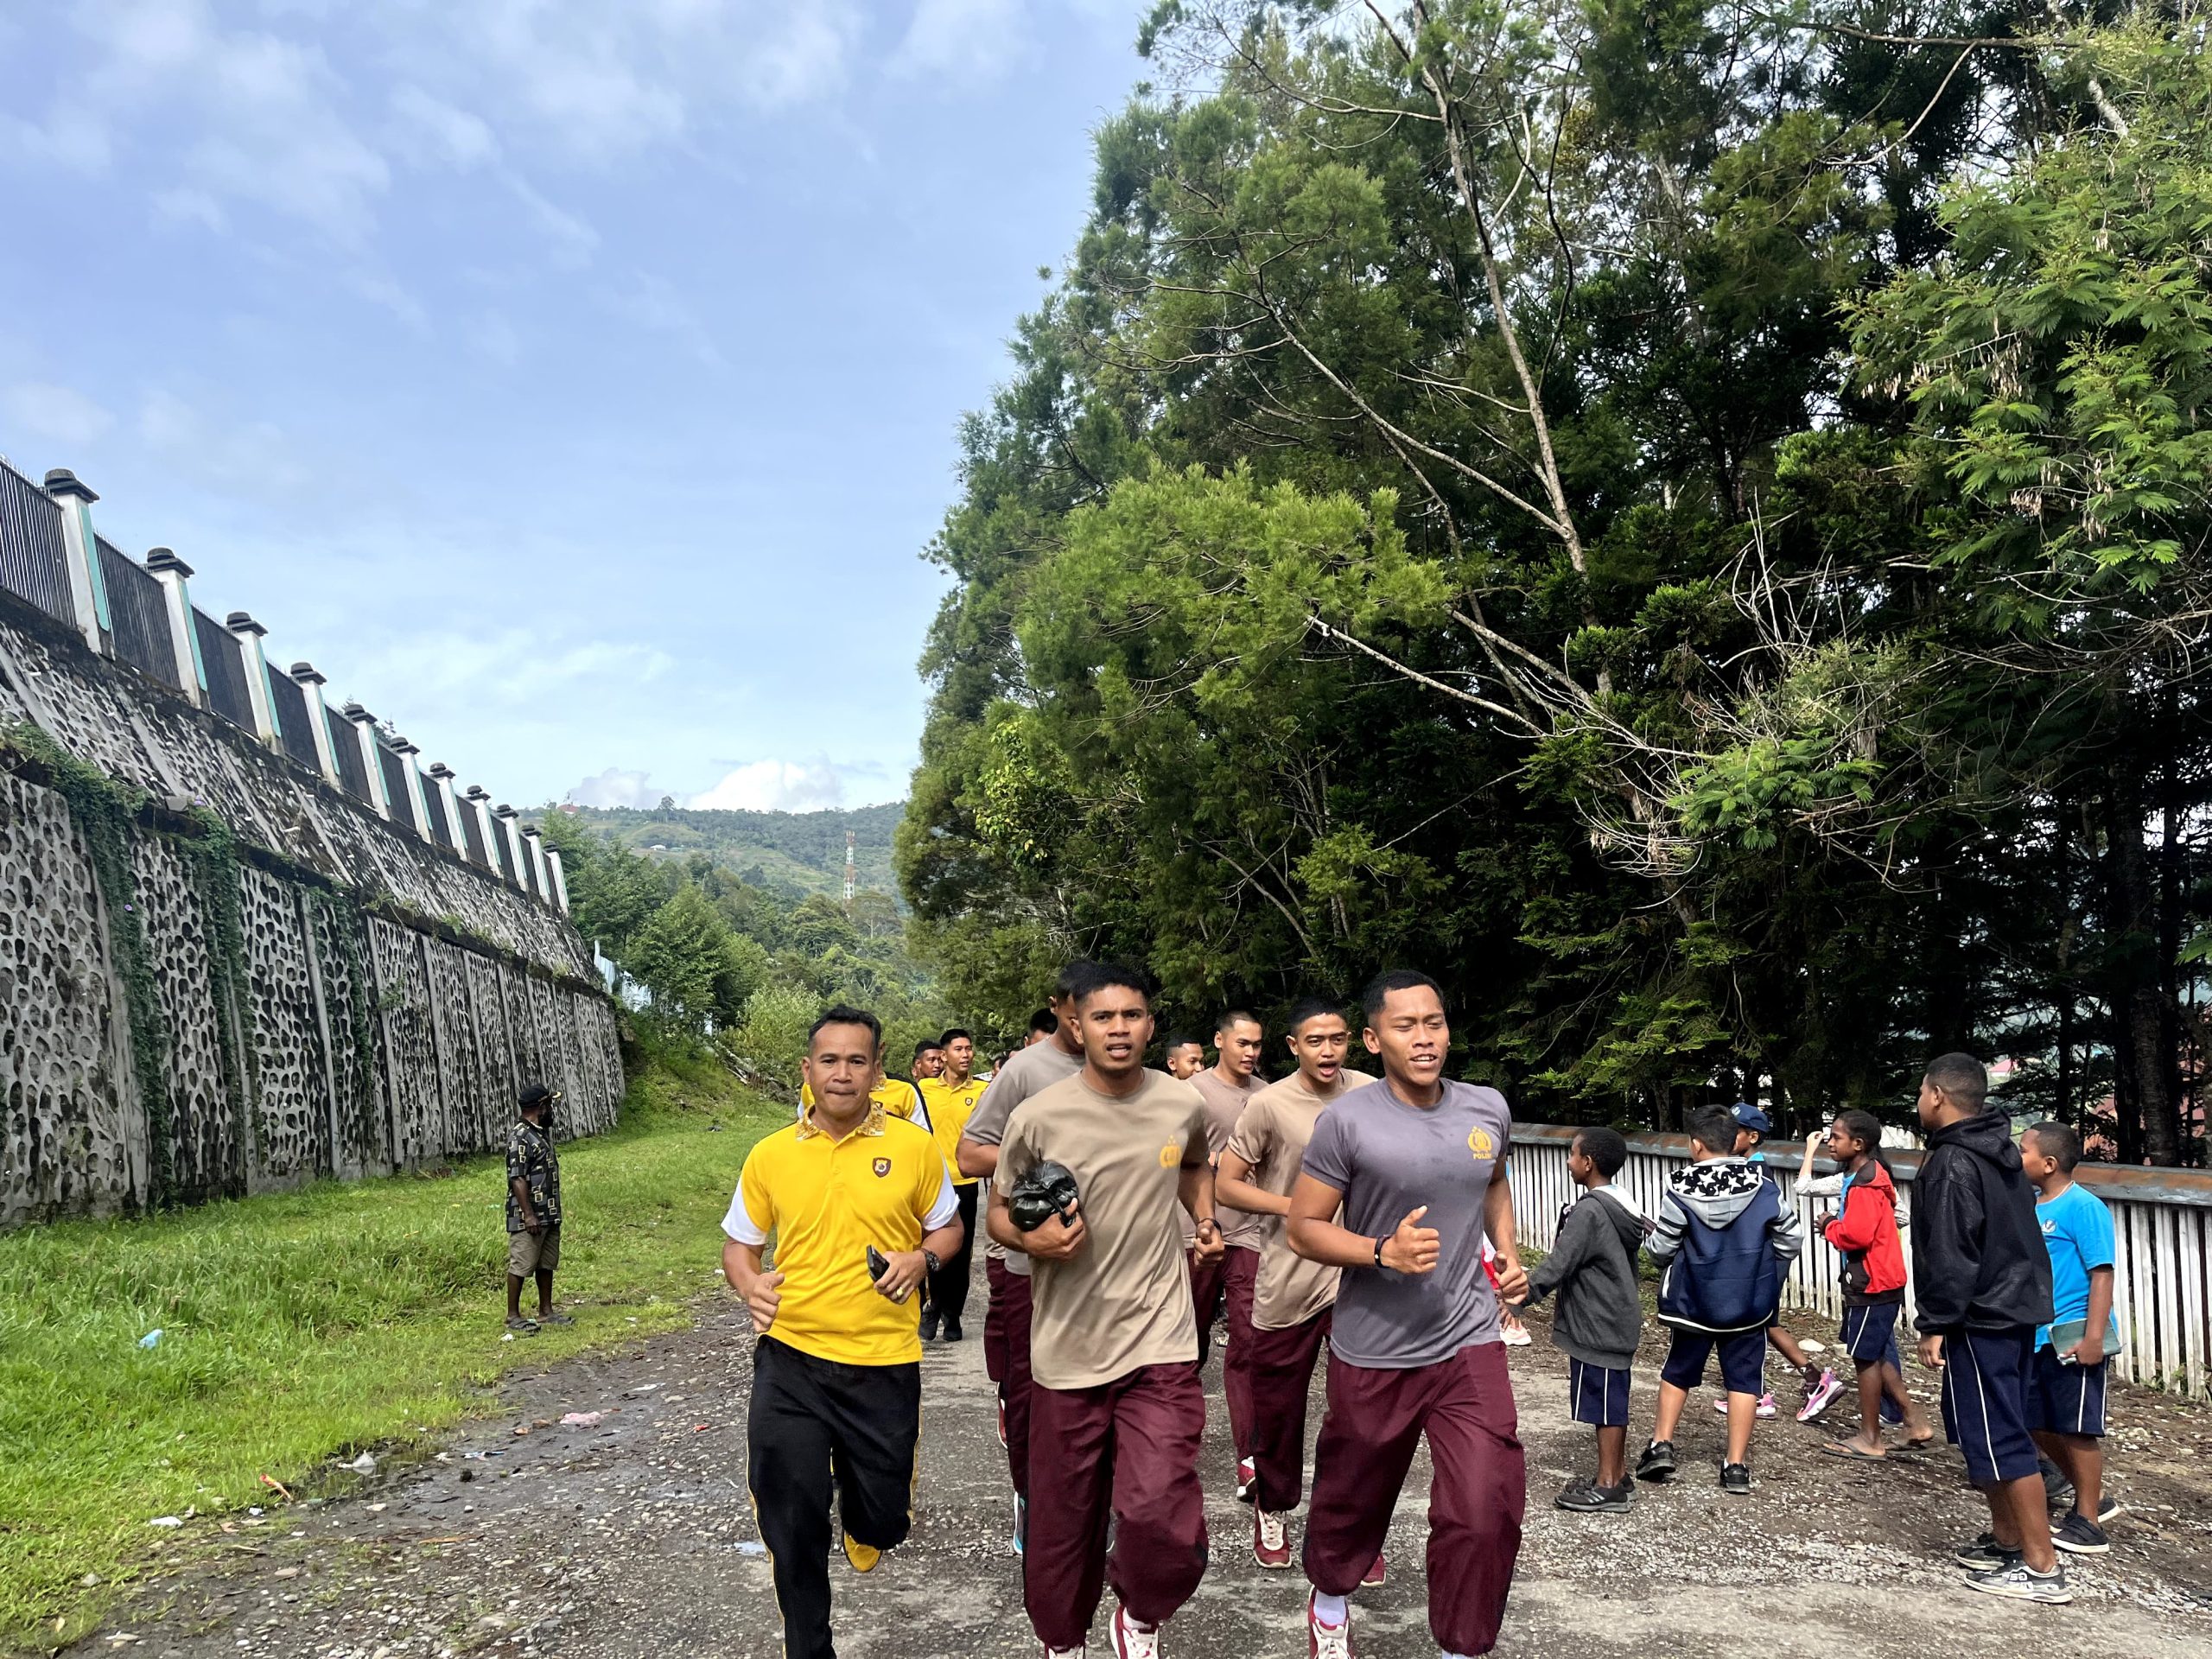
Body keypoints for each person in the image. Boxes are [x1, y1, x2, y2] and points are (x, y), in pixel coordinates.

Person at [1287, 969, 1527, 1659]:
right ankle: (1330, 1596)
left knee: (1486, 1505)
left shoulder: (1486, 1108)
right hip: (1376, 1347)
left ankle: (1462, 1645)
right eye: (1406, 1026)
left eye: (1434, 1023)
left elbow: (1493, 1182)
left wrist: (1506, 1252)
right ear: (1373, 1040)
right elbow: (1303, 1227)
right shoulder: (1347, 1122)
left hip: (1468, 1338)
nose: (1425, 1039)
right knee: (1354, 1496)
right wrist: (1381, 1251)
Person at [988, 961, 1220, 1659]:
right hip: (1068, 1349)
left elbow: (1194, 1164)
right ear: (1076, 1024)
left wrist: (1204, 1219)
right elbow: (998, 1213)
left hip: (1161, 1341)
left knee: (1163, 1512)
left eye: (1132, 1016)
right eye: (1103, 1017)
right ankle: (1064, 1642)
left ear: (1150, 1024)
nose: (1119, 1029)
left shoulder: (1181, 1104)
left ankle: (1140, 1615)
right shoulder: (1038, 1116)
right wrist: (1032, 1238)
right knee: (1064, 1521)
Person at [720, 1006, 965, 1659]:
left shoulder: (913, 1148)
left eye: (857, 1060)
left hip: (884, 1361)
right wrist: (749, 1285)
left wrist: (923, 1259)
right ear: (807, 1069)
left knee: (883, 1521)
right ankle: (809, 1647)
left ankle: (864, 1517)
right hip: (791, 1357)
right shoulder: (771, 1154)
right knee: (791, 1513)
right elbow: (740, 1245)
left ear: (877, 1070)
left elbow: (948, 1227)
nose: (842, 1073)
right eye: (829, 1060)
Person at [1214, 996, 1363, 1568]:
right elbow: (1227, 1184)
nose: (1327, 1051)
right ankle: (1272, 1506)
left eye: (1337, 1039)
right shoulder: (1269, 1104)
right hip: (1289, 1278)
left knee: (1360, 1416)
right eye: (1314, 1041)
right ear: (1293, 1046)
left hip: (1359, 1278)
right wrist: (1298, 1208)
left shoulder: (1372, 1094)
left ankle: (1351, 1529)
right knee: (1278, 1411)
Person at [1912, 1052, 2065, 1603]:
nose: (1919, 1101)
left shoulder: (1953, 1161)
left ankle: (2042, 1567)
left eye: (1922, 1091)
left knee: (2002, 1435)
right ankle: (2007, 1540)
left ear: (1938, 1096)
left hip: (1983, 1316)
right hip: (2016, 1308)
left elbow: (1951, 1250)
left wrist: (1936, 1321)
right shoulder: (2000, 1151)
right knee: (1986, 1429)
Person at [957, 963, 1093, 1554]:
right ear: (1058, 1008)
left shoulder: (1136, 1077)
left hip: (1109, 1269)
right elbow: (969, 1154)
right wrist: (1043, 1160)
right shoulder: (1025, 1071)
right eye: (1080, 1013)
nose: (1094, 1026)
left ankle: (1089, 1502)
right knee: (1032, 1389)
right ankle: (1031, 1498)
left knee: (1096, 1393)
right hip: (1030, 1264)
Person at [1637, 1104, 1802, 1496]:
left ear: (1696, 1145)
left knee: (1678, 1371)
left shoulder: (1680, 1190)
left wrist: (1653, 1245)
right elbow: (1791, 1239)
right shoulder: (1764, 1186)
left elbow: (1661, 1249)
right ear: (1734, 1141)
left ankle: (1661, 1444)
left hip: (1693, 1302)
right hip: (1749, 1305)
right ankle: (1736, 1466)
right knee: (1744, 1380)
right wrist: (1764, 1270)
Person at [1516, 1127, 1645, 1513]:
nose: (1569, 1161)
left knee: (1605, 1405)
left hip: (1598, 1321)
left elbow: (1560, 1261)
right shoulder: (1620, 1203)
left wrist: (1522, 1296)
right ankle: (1618, 1474)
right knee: (1612, 1399)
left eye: (1573, 1154)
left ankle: (1607, 1486)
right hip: (1614, 1316)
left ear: (1588, 1163)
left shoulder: (1590, 1211)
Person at [2020, 1120, 2122, 1554]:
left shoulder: (2083, 1207)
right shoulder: (2031, 1206)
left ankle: (2088, 1522)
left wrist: (2094, 1337)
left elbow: (2102, 1273)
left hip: (2073, 1335)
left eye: (2023, 1150)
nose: (2017, 1157)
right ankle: (2089, 1493)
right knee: (2035, 1421)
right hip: (2036, 1335)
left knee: (2077, 1428)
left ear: (2049, 1163)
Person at [1813, 1109, 1932, 1459]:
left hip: (1872, 1282)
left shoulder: (1865, 1185)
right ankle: (1914, 1420)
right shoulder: (1866, 1176)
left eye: (1836, 1137)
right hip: (1879, 1278)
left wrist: (1829, 1224)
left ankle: (1871, 1438)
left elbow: (1856, 1236)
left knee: (1864, 1358)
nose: (1830, 1142)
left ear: (1858, 1144)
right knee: (1876, 1352)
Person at [1185, 1009, 1268, 1489]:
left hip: (1251, 1233)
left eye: (1256, 1044)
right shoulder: (1190, 1092)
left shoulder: (1269, 1096)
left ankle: (1250, 1457)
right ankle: (1173, 1439)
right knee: (1186, 1343)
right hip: (1196, 1232)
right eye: (1242, 1043)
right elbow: (1169, 1156)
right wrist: (1211, 1160)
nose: (1251, 1052)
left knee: (1249, 1343)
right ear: (1219, 1041)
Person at [1723, 1103, 1825, 1421]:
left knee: (1755, 1323)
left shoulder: (1755, 1172)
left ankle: (1757, 1395)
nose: (1726, 1137)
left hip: (1764, 1258)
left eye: (1734, 1132)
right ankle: (1812, 1378)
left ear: (1753, 1137)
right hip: (1762, 1257)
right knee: (1765, 1323)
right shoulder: (1747, 1167)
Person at [919, 1028, 988, 1343]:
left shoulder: (983, 1091)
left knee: (961, 1252)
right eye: (958, 1049)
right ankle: (932, 1305)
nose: (965, 1054)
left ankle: (953, 1313)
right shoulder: (924, 1090)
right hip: (931, 1182)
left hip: (965, 1181)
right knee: (931, 1246)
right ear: (944, 1055)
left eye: (969, 1048)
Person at [505, 1082, 569, 1334]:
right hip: (529, 1214)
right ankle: (513, 1316)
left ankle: (546, 1311)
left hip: (549, 1211)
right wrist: (528, 1214)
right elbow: (517, 1177)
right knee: (521, 1263)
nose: (551, 1110)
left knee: (546, 1263)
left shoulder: (540, 1133)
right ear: (540, 1107)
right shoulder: (520, 1136)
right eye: (549, 1105)